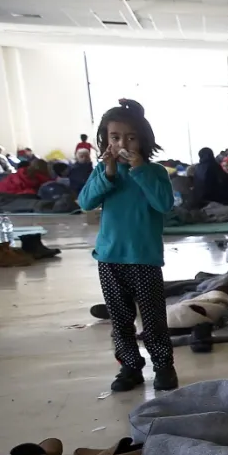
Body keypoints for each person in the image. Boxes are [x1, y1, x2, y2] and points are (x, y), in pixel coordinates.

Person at [76, 99, 177, 392]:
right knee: (120, 321)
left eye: (130, 137)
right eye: (115, 137)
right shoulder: (104, 172)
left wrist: (140, 169)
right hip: (109, 258)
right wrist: (107, 173)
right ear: (105, 140)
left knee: (153, 319)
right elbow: (85, 202)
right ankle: (130, 367)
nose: (123, 143)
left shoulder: (155, 172)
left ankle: (163, 366)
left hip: (144, 258)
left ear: (143, 139)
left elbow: (164, 204)